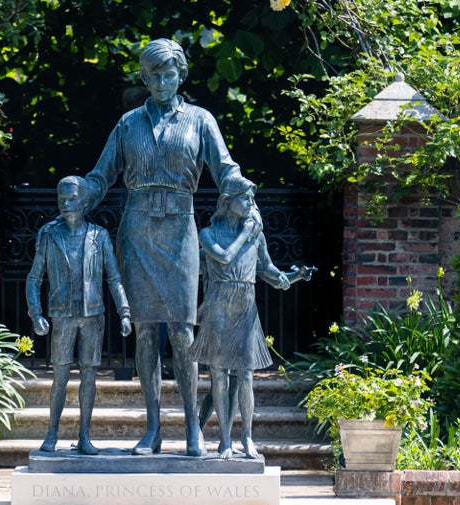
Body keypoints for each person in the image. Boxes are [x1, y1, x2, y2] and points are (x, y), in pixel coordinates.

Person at [82, 38, 258, 457]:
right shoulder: (128, 124)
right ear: (144, 78)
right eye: (153, 75)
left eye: (169, 74)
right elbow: (101, 175)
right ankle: (153, 429)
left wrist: (240, 186)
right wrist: (74, 199)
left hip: (180, 230)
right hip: (138, 230)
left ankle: (193, 429)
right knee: (146, 334)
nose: (161, 82)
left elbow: (224, 167)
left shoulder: (200, 120)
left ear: (181, 75)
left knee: (182, 332)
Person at [190, 178, 314, 459]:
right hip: (219, 306)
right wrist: (246, 234)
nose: (250, 204)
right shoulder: (209, 234)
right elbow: (223, 257)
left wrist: (291, 277)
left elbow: (267, 269)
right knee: (219, 376)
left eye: (251, 199)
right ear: (227, 202)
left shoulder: (255, 235)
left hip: (246, 307)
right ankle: (224, 440)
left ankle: (246, 437)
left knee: (245, 375)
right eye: (245, 199)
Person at [25, 175, 132, 455]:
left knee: (89, 375)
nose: (67, 203)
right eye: (62, 198)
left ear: (85, 202)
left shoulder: (99, 236)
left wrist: (124, 311)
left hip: (93, 315)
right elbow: (34, 278)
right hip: (62, 315)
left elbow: (114, 277)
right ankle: (52, 433)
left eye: (73, 198)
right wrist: (35, 313)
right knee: (60, 375)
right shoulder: (49, 234)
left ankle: (84, 436)